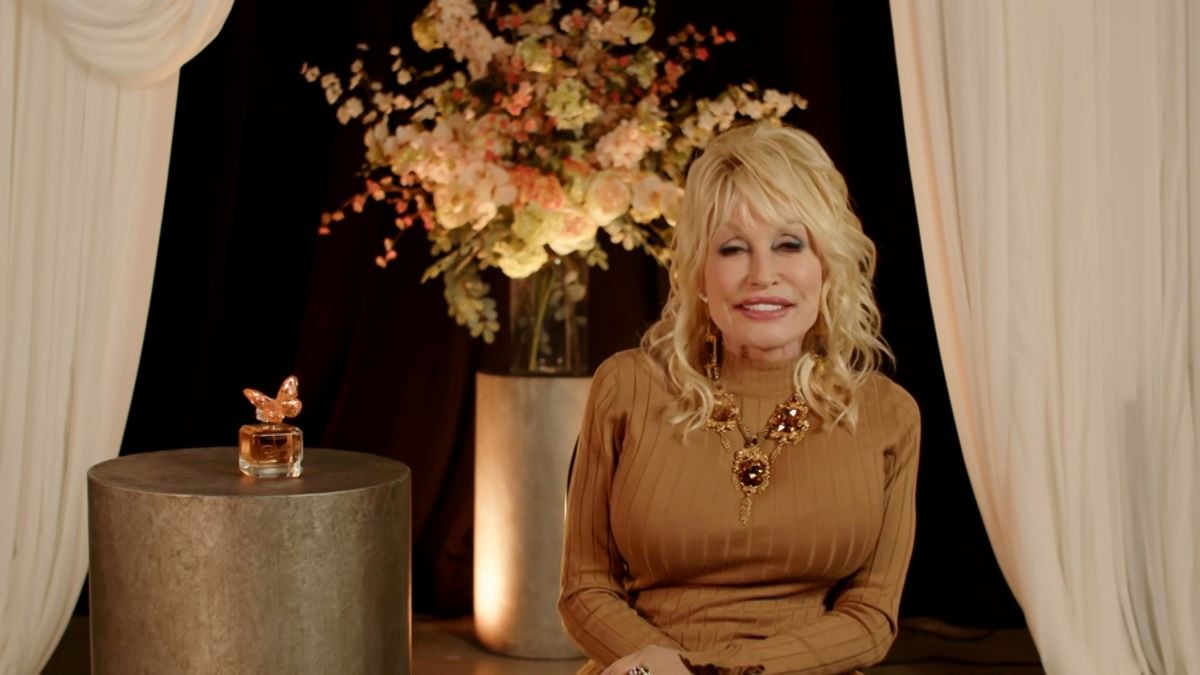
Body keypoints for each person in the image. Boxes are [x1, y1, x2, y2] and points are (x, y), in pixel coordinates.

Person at [558, 122, 920, 675]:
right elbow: (585, 589)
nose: (763, 274)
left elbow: (871, 618)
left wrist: (723, 672)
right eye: (732, 248)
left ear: (827, 266)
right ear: (701, 275)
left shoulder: (887, 414)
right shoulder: (627, 386)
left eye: (789, 244)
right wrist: (664, 667)